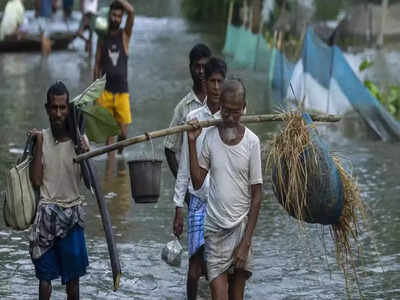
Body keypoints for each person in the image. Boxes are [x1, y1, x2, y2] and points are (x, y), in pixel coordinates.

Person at [188, 79, 263, 300]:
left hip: (241, 230)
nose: (230, 118)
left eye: (236, 112)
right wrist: (192, 142)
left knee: (237, 296)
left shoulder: (252, 142)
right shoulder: (210, 138)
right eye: (226, 112)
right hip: (214, 231)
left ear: (244, 108)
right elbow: (197, 181)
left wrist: (245, 243)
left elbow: (257, 196)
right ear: (219, 106)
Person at [28, 81, 90, 300]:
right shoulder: (41, 139)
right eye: (54, 108)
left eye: (63, 108)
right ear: (47, 109)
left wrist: (83, 153)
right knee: (45, 280)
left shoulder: (79, 141)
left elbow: (90, 183)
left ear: (69, 109)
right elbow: (36, 182)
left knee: (73, 282)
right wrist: (39, 144)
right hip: (45, 216)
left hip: (72, 215)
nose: (58, 113)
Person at [173, 57, 227, 300]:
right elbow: (185, 164)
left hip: (223, 201)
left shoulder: (232, 118)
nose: (216, 87)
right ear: (204, 83)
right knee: (194, 267)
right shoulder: (194, 117)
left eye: (220, 82)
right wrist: (177, 207)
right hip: (198, 200)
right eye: (212, 81)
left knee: (224, 267)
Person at [94, 0, 134, 157]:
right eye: (114, 15)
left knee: (123, 134)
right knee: (109, 136)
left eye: (119, 16)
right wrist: (94, 92)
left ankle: (119, 156)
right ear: (109, 16)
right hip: (105, 92)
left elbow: (131, 12)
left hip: (122, 91)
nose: (116, 18)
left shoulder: (125, 35)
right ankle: (110, 173)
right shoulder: (102, 37)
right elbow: (97, 65)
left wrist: (119, 2)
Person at [164, 43, 212, 178]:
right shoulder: (182, 108)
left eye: (205, 67)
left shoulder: (220, 102)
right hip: (194, 183)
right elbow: (169, 148)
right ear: (191, 68)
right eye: (197, 66)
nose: (201, 71)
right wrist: (183, 187)